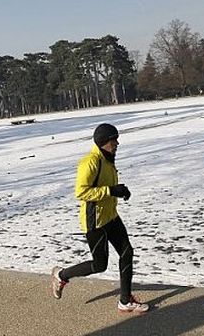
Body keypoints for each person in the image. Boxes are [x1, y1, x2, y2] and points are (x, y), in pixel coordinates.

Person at [51, 123, 149, 314]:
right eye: (114, 140)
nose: (117, 143)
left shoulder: (108, 159)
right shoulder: (90, 162)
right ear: (104, 142)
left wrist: (120, 191)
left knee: (127, 252)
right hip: (94, 221)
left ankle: (125, 300)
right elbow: (81, 192)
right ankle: (61, 275)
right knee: (99, 265)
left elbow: (105, 186)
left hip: (111, 216)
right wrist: (111, 191)